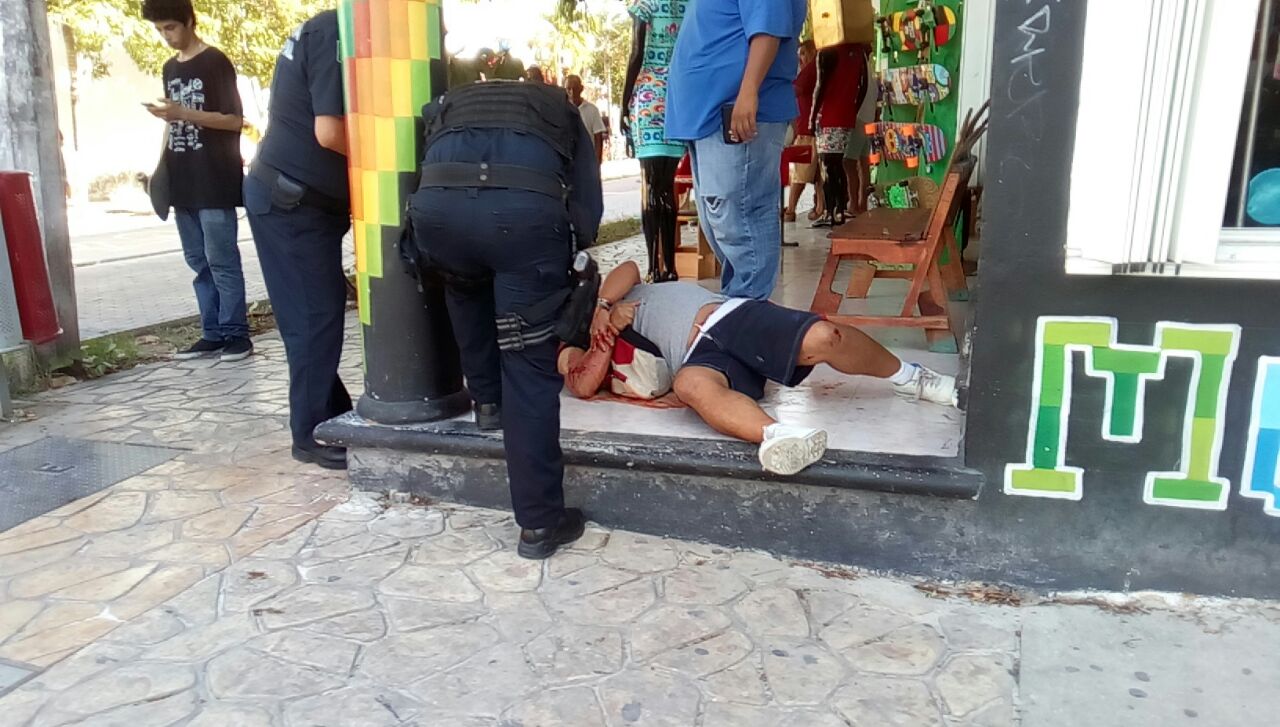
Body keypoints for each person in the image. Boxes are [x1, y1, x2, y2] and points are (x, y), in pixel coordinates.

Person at [407, 81, 604, 559]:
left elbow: (425, 174)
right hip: (522, 219)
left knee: (463, 281)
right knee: (528, 361)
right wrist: (567, 253)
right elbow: (588, 208)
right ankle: (539, 523)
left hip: (438, 216)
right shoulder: (562, 109)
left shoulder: (448, 107)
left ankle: (488, 404)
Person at [560, 261, 958, 474]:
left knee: (825, 338)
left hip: (730, 317)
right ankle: (780, 436)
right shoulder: (566, 338)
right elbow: (582, 384)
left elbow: (630, 266)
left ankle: (911, 378)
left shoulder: (611, 290)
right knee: (690, 386)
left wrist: (604, 307)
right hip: (700, 360)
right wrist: (606, 335)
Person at [242, 10, 352, 470]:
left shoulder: (323, 28)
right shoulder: (335, 32)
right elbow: (329, 131)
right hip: (292, 202)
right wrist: (392, 155)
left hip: (294, 199)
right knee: (313, 316)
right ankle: (310, 434)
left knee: (314, 313)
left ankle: (333, 413)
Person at [666, 0, 807, 300]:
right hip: (709, 114)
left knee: (742, 222)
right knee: (722, 221)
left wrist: (749, 91)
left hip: (736, 110)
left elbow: (768, 26)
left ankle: (747, 315)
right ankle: (741, 311)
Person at [142, 0, 251, 362]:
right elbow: (174, 123)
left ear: (189, 21)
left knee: (221, 260)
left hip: (215, 179)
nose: (166, 36)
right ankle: (212, 332)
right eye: (160, 30)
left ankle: (236, 334)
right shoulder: (169, 67)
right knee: (197, 262)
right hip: (182, 180)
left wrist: (183, 113)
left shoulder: (215, 61)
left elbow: (235, 120)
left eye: (171, 27)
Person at [622, 0, 689, 282]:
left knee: (650, 187)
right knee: (667, 187)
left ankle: (653, 267)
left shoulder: (645, 5)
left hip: (648, 96)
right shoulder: (689, 6)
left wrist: (624, 102)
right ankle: (671, 268)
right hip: (678, 97)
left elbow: (636, 53)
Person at [811, 42, 868, 227]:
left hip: (828, 116)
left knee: (828, 166)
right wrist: (853, 108)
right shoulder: (858, 53)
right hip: (845, 117)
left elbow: (819, 87)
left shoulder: (827, 52)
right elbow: (864, 86)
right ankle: (839, 211)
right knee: (838, 165)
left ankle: (830, 212)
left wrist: (812, 116)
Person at [785, 39, 824, 223]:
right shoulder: (818, 69)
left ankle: (791, 209)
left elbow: (795, 90)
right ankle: (820, 206)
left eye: (803, 53)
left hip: (807, 128)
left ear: (811, 52)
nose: (800, 58)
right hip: (813, 126)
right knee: (817, 173)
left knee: (801, 173)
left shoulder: (810, 70)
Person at [566, 75, 607, 164]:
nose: (572, 92)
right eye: (568, 89)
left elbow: (598, 138)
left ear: (581, 89)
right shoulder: (562, 110)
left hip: (588, 162)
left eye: (575, 88)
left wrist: (597, 163)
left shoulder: (592, 110)